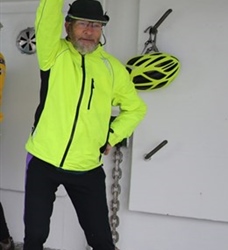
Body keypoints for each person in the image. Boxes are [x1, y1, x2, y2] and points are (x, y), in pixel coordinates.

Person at [23, 0, 147, 249]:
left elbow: (136, 108)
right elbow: (47, 17)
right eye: (83, 24)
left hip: (87, 167)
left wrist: (111, 136)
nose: (90, 31)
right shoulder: (53, 54)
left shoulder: (112, 68)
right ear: (68, 26)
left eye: (97, 25)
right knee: (35, 237)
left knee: (101, 240)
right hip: (43, 160)